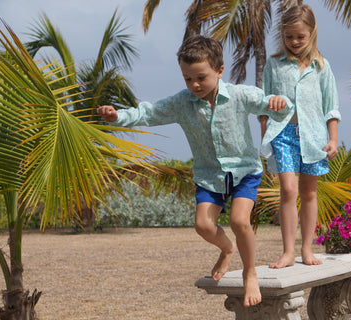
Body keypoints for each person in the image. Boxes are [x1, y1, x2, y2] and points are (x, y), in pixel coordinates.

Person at [97, 35, 292, 307]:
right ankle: (227, 248)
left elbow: (271, 104)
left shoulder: (238, 95)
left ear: (220, 71)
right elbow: (150, 112)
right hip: (209, 175)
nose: (194, 85)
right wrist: (119, 116)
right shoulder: (182, 102)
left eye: (201, 77)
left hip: (244, 171)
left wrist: (279, 104)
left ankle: (250, 273)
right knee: (202, 225)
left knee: (239, 221)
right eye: (188, 79)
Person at [259, 5, 341, 269]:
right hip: (282, 134)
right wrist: (265, 134)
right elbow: (263, 104)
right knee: (288, 189)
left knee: (309, 193)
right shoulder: (273, 64)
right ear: (282, 35)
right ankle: (287, 252)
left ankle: (306, 249)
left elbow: (331, 106)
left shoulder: (322, 66)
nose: (294, 42)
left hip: (314, 137)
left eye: (300, 37)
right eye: (289, 37)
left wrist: (333, 139)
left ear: (312, 34)